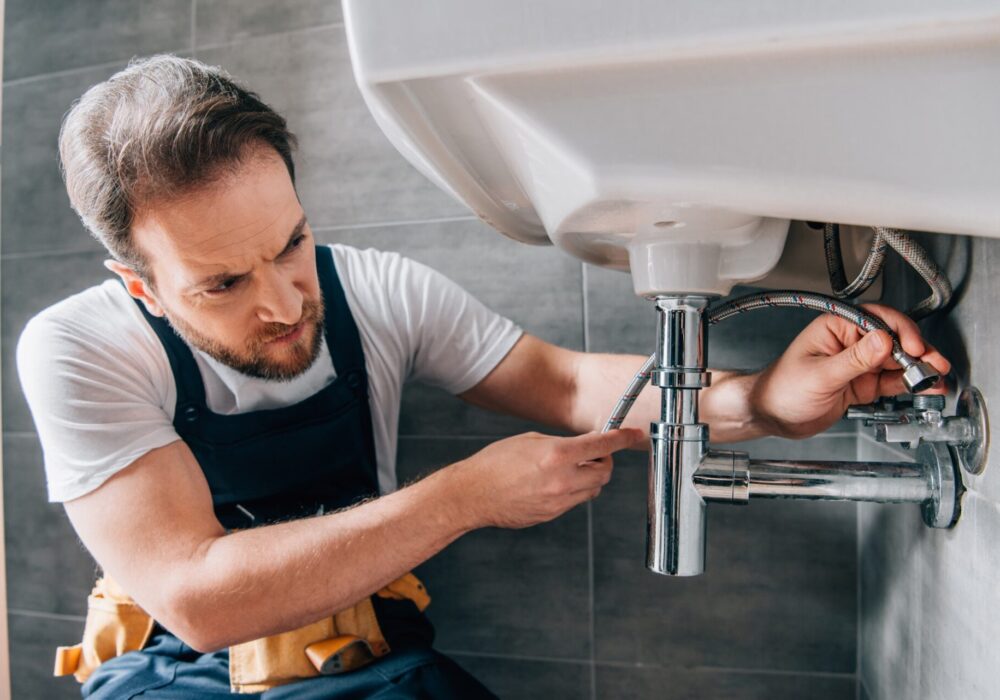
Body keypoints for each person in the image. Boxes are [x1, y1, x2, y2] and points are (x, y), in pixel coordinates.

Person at [17, 55, 950, 699]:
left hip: (368, 664)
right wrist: (462, 497)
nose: (284, 301)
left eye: (291, 242)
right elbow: (199, 596)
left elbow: (566, 385)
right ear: (138, 286)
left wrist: (763, 402)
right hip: (174, 674)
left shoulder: (376, 291)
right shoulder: (77, 348)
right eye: (222, 283)